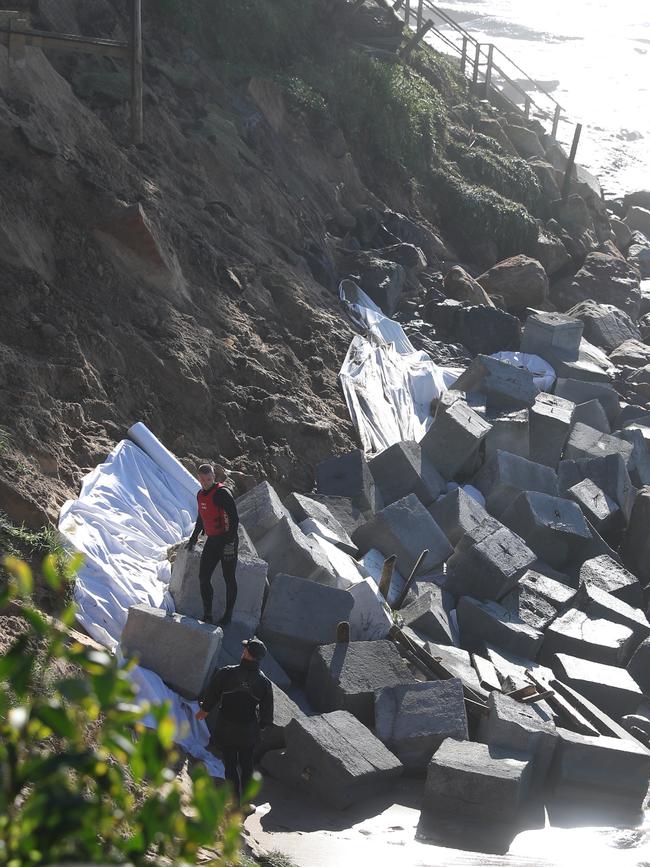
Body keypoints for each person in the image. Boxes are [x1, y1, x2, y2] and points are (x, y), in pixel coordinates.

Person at [196, 637, 274, 804]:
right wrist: (259, 727)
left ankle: (233, 802)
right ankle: (245, 804)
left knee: (230, 766)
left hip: (226, 728)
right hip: (248, 731)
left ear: (246, 653)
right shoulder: (264, 682)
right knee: (247, 767)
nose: (243, 649)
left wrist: (204, 711)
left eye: (245, 648)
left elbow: (211, 696)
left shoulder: (226, 673)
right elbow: (267, 715)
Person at [187, 463, 239, 625]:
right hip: (213, 541)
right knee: (203, 577)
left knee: (229, 578)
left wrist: (230, 543)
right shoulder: (200, 495)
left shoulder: (222, 493)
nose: (205, 482)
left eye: (208, 479)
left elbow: (234, 518)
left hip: (227, 540)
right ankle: (207, 615)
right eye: (202, 480)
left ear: (213, 477)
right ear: (198, 478)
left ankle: (228, 616)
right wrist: (194, 537)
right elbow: (202, 517)